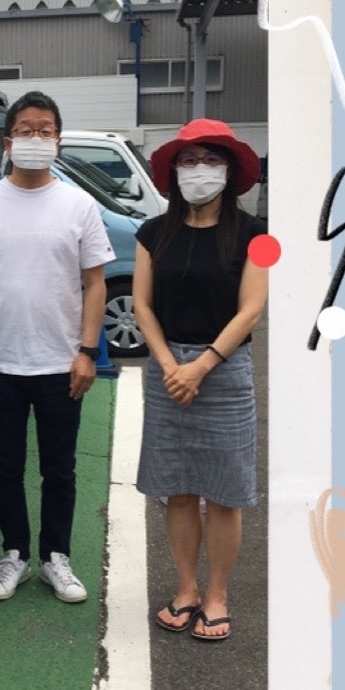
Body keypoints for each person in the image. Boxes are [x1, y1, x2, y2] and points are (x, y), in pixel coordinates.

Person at [0, 91, 115, 603]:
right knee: (8, 468)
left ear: (58, 141)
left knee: (59, 469)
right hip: (1, 362)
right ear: (7, 142)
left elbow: (96, 283)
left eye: (45, 131)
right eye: (26, 130)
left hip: (62, 363)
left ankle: (55, 558)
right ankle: (15, 555)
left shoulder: (78, 205)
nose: (35, 139)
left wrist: (87, 351)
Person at [132, 119, 268, 642]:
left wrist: (202, 365)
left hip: (224, 373)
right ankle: (186, 589)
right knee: (180, 489)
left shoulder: (258, 235)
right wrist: (170, 364)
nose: (199, 170)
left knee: (225, 493)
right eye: (188, 161)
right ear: (173, 172)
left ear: (231, 171)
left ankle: (217, 595)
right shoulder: (152, 233)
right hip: (168, 372)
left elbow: (252, 309)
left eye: (212, 160)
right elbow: (142, 305)